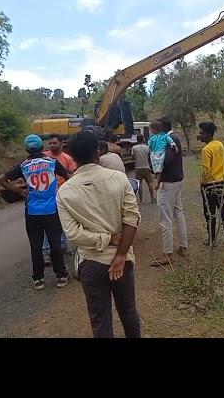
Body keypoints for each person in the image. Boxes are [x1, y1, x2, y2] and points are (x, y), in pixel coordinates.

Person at [57, 131, 141, 338]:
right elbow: (132, 219)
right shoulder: (119, 178)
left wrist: (103, 240)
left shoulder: (65, 191)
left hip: (91, 263)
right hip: (122, 260)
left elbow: (74, 236)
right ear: (98, 152)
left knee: (100, 320)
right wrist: (120, 254)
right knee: (129, 312)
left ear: (72, 157)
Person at [0, 134, 72, 290]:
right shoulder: (52, 162)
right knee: (55, 243)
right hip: (52, 210)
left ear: (26, 149)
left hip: (32, 212)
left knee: (35, 245)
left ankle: (38, 279)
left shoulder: (23, 165)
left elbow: (1, 180)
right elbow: (67, 177)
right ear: (41, 148)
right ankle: (61, 276)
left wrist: (20, 192)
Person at [151, 117, 188, 267]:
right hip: (177, 181)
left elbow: (166, 161)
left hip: (168, 183)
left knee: (165, 219)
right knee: (178, 213)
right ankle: (183, 247)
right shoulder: (174, 138)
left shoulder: (167, 140)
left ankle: (168, 254)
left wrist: (157, 172)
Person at [197, 122, 224, 248]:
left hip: (209, 186)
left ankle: (212, 240)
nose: (199, 135)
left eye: (201, 133)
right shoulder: (219, 144)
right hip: (221, 183)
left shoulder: (206, 150)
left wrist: (203, 183)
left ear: (208, 134)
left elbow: (206, 170)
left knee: (210, 214)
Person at [42, 134, 76, 260]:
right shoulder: (44, 157)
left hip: (61, 193)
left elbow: (71, 174)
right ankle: (46, 250)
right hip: (46, 195)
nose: (51, 146)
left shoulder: (67, 158)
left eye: (54, 143)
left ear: (61, 143)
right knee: (47, 223)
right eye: (50, 143)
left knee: (62, 220)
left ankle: (63, 245)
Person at [148, 120, 178, 191]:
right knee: (154, 165)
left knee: (159, 167)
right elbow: (149, 146)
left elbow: (170, 141)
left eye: (151, 129)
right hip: (154, 154)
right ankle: (156, 173)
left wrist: (174, 146)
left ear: (155, 129)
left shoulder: (164, 136)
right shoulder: (152, 138)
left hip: (161, 153)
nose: (150, 131)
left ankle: (157, 183)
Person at [131, 134, 155, 204]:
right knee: (150, 183)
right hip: (146, 167)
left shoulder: (134, 147)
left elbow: (132, 157)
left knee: (140, 184)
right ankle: (152, 199)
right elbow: (150, 157)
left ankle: (140, 200)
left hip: (138, 168)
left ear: (137, 140)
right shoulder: (147, 147)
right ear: (143, 139)